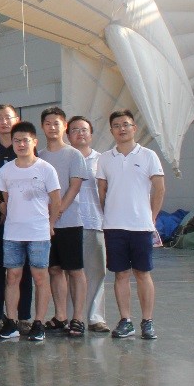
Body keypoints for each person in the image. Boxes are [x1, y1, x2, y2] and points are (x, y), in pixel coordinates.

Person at [97, 109, 165, 340]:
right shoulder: (105, 159)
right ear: (111, 131)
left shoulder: (148, 156)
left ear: (134, 128)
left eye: (126, 124)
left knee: (143, 273)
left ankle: (147, 321)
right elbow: (102, 191)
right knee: (120, 274)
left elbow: (159, 188)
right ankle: (125, 321)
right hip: (114, 227)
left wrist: (151, 217)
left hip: (141, 227)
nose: (122, 129)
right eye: (117, 125)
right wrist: (109, 213)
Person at [0, 121, 60, 342]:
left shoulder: (46, 169)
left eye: (25, 140)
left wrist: (50, 224)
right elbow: (7, 199)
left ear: (34, 142)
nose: (21, 144)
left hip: (38, 232)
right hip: (12, 233)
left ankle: (39, 322)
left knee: (40, 277)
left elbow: (56, 200)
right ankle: (11, 322)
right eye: (17, 141)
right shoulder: (6, 170)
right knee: (12, 276)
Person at [38, 106, 90, 336]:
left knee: (75, 270)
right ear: (42, 127)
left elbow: (74, 186)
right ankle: (60, 315)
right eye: (48, 123)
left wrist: (58, 210)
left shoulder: (73, 155)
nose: (52, 127)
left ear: (64, 126)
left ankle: (78, 317)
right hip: (45, 225)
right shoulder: (39, 156)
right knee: (54, 269)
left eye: (56, 123)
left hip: (69, 222)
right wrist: (48, 216)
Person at [0, 103, 31, 333]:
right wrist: (0, 204)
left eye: (7, 117)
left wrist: (12, 208)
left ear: (16, 119)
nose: (3, 122)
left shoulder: (24, 146)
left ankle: (24, 317)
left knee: (22, 269)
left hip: (22, 217)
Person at [69, 115, 110, 332]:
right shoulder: (65, 158)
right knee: (70, 273)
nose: (80, 133)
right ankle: (71, 317)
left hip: (95, 222)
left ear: (91, 134)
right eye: (75, 130)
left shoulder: (102, 160)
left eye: (84, 129)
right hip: (68, 223)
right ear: (68, 135)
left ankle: (95, 317)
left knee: (96, 272)